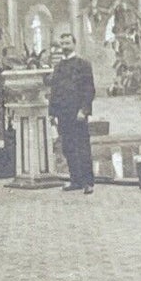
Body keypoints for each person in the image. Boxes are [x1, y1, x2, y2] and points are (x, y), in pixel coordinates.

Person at [49, 30, 96, 193]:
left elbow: (89, 90)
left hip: (78, 114)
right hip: (63, 114)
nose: (65, 46)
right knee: (68, 147)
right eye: (62, 44)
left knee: (82, 146)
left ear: (74, 44)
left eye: (67, 43)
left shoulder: (83, 65)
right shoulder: (59, 67)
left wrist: (84, 110)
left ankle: (88, 182)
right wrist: (52, 113)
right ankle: (75, 180)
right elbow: (54, 90)